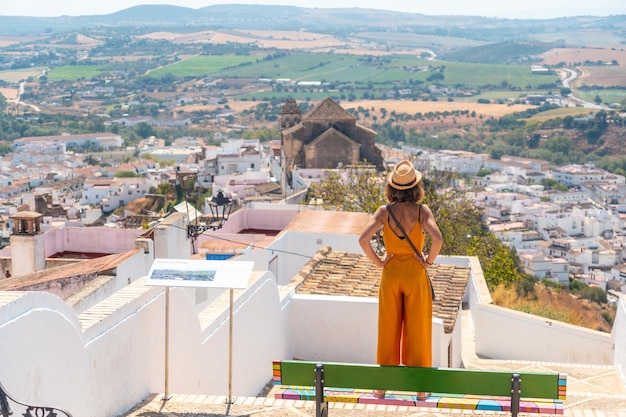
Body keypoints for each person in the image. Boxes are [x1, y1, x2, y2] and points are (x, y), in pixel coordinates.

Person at [358, 160, 443, 400]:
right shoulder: (421, 211)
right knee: (418, 329)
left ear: (392, 187)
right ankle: (421, 389)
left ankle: (381, 388)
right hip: (415, 274)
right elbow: (437, 239)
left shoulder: (384, 212)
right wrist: (428, 261)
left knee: (388, 328)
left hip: (391, 273)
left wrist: (380, 261)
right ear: (416, 187)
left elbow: (363, 239)